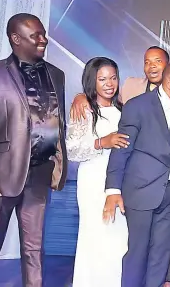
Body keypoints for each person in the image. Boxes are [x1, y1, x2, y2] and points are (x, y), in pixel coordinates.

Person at [0, 13, 68, 287]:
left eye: (43, 34)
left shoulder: (56, 74)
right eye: (35, 35)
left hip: (40, 174)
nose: (43, 39)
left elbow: (57, 122)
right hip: (0, 177)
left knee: (34, 249)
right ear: (15, 39)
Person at [103, 62, 170, 287]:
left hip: (169, 195)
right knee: (138, 253)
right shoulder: (138, 106)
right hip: (141, 193)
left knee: (161, 255)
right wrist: (113, 189)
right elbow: (121, 148)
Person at [66, 57, 127, 286]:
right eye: (102, 79)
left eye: (113, 78)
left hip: (120, 182)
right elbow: (72, 149)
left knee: (119, 239)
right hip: (93, 180)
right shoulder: (84, 108)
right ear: (92, 81)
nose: (109, 83)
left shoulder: (123, 109)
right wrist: (103, 142)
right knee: (96, 235)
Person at [69, 46, 170, 121]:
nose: (152, 66)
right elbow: (106, 98)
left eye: (158, 61)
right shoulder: (130, 85)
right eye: (147, 62)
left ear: (169, 64)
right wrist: (81, 96)